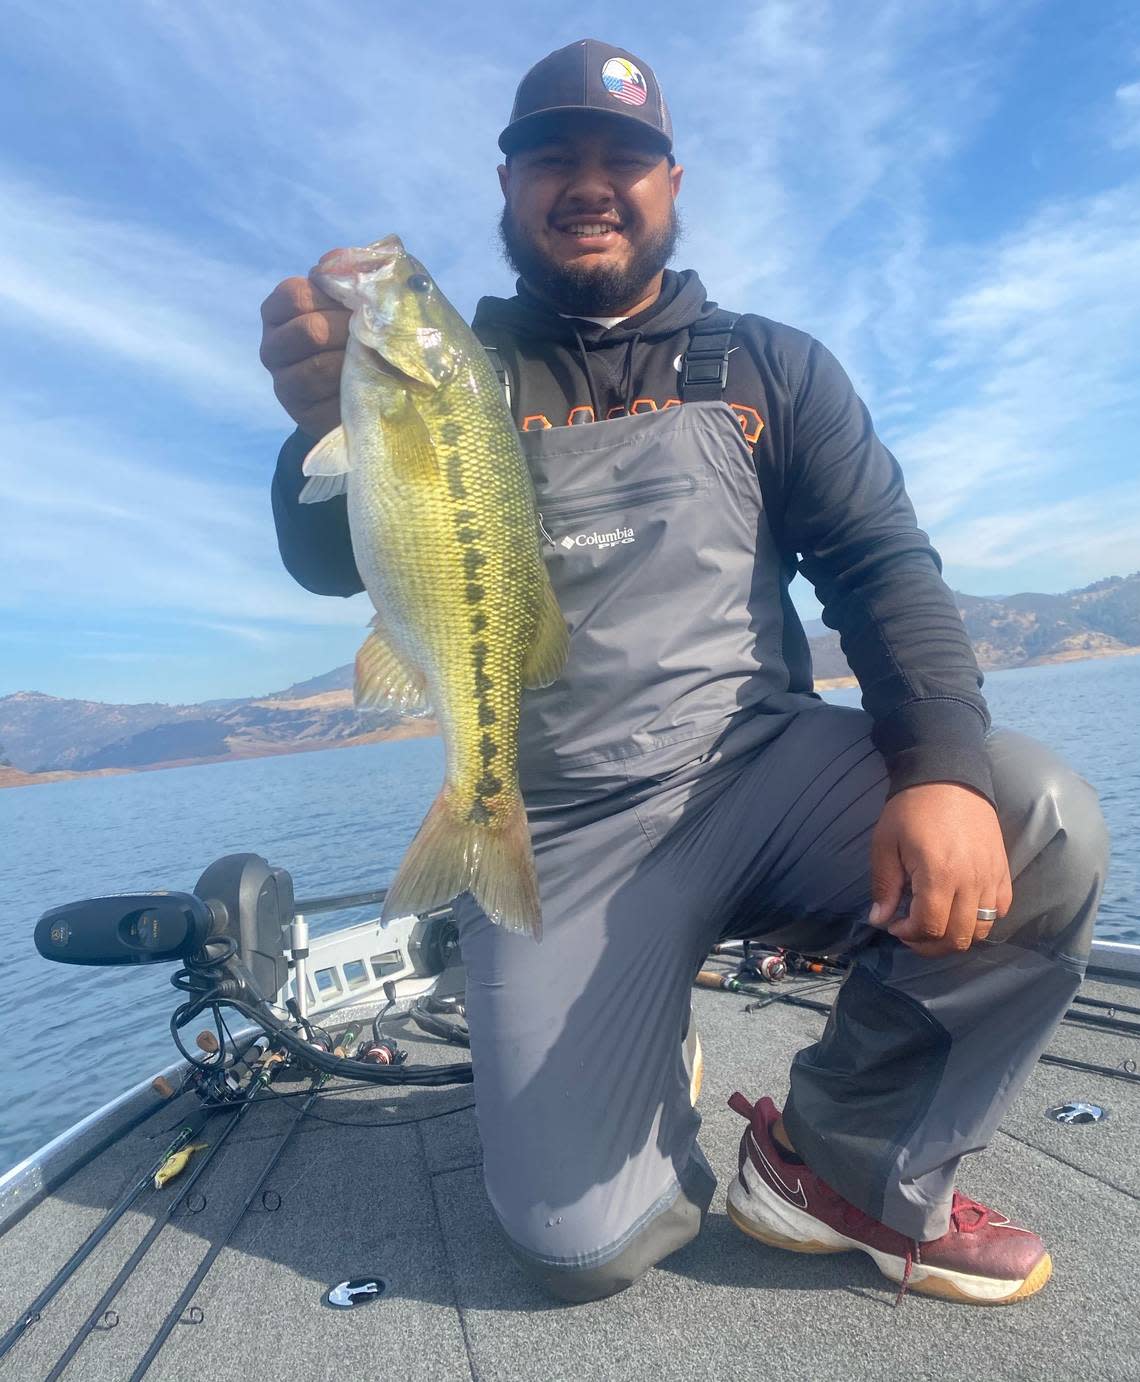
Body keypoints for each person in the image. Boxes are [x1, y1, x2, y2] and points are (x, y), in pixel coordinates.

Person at [260, 39, 1110, 1306]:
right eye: (556, 157)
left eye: (625, 157)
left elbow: (882, 568)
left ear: (672, 181)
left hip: (761, 774)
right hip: (553, 823)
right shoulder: (456, 372)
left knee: (1038, 819)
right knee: (581, 1245)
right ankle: (637, 1011)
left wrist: (939, 768)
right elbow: (338, 560)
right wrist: (314, 425)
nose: (590, 182)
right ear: (507, 184)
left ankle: (840, 1159)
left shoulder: (773, 365)